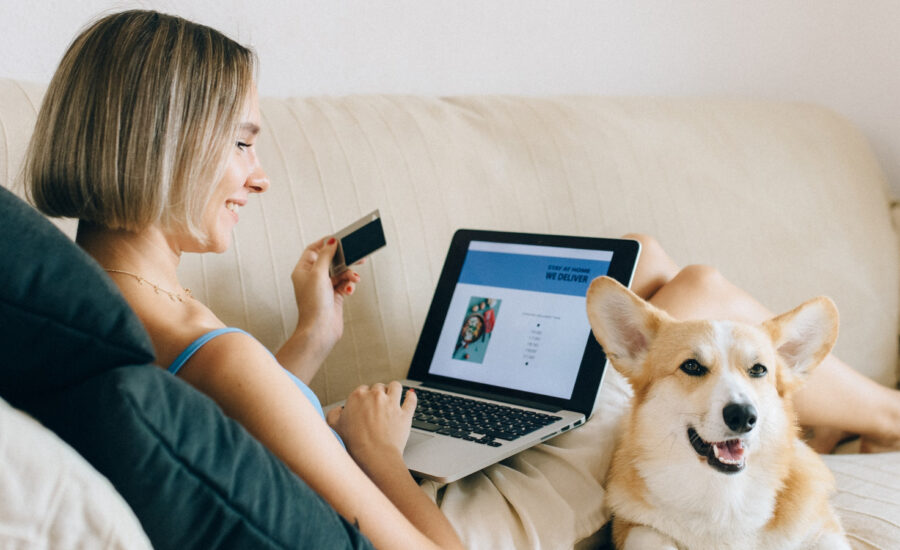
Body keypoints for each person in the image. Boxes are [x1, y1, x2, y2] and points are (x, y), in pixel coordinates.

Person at [24, 9, 899, 550]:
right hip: (456, 512)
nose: (258, 176)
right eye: (243, 142)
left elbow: (238, 422)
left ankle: (839, 424)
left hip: (420, 466)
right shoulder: (201, 345)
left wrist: (313, 339)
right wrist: (374, 453)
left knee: (641, 257)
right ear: (164, 140)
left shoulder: (110, 302)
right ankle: (887, 417)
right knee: (694, 293)